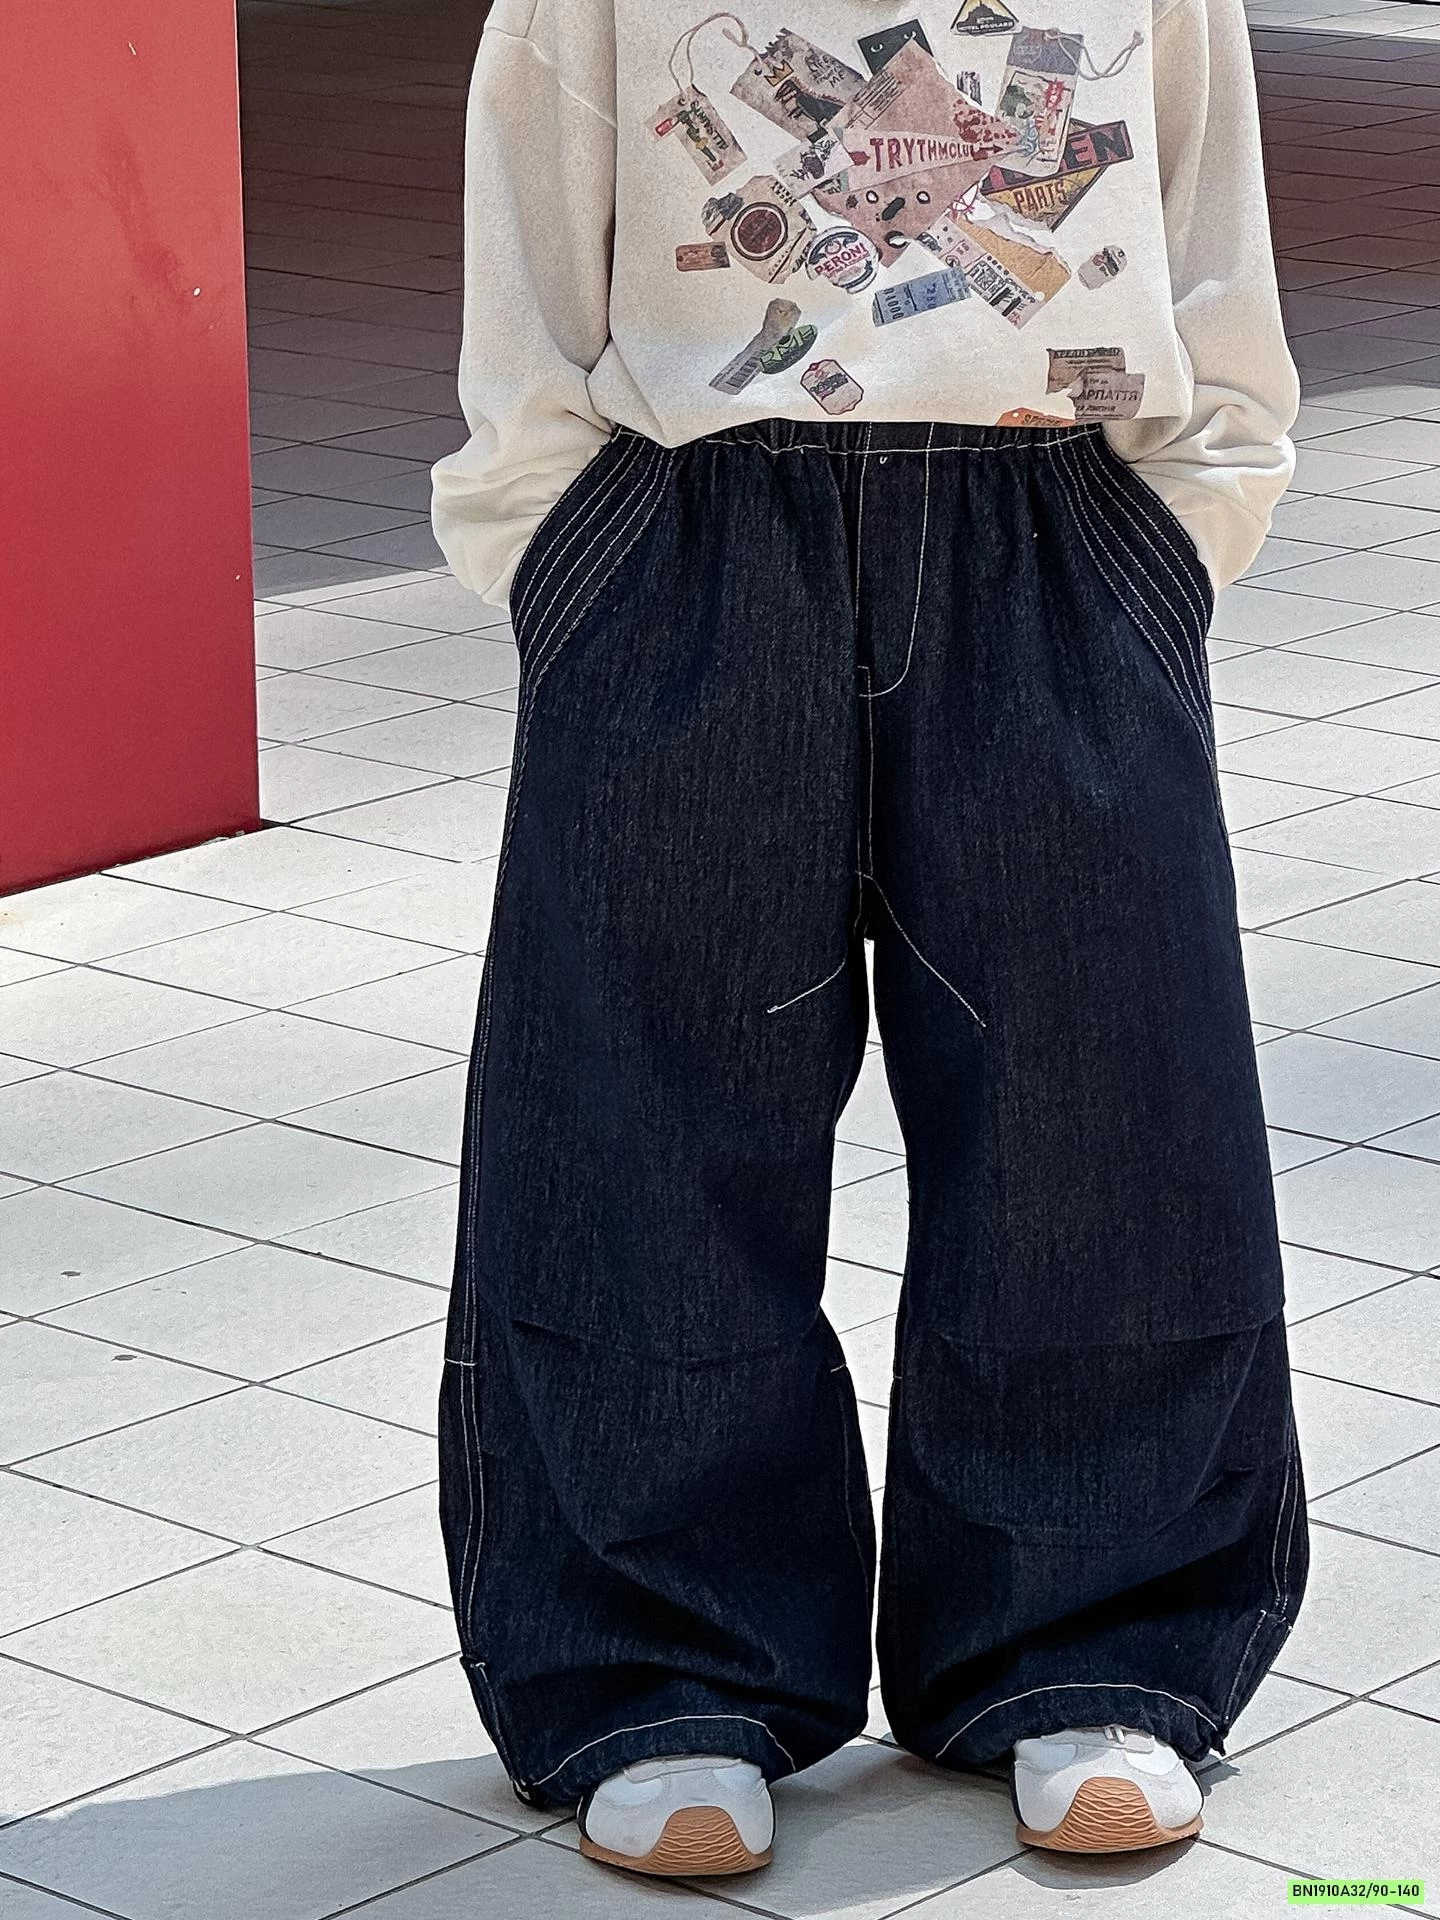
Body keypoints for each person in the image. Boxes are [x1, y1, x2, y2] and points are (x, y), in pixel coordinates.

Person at [431, 0, 1307, 1878]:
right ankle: (664, 1665)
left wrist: (1188, 522)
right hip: (694, 529)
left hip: (1056, 526)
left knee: (1107, 1099)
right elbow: (530, 228)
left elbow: (1206, 208)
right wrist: (561, 555)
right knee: (640, 1115)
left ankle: (1095, 1639)